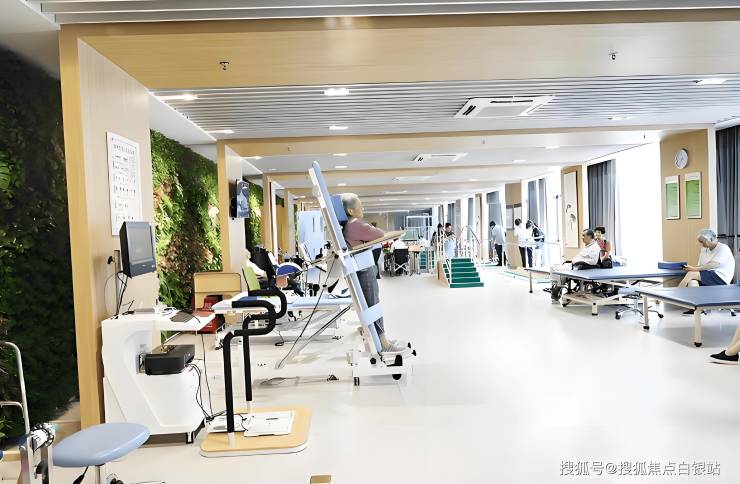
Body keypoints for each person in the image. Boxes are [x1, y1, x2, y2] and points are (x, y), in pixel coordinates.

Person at [341, 193, 407, 353]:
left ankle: (382, 339)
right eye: (359, 206)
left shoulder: (349, 226)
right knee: (373, 306)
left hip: (363, 268)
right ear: (350, 210)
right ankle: (384, 344)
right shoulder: (355, 224)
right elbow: (379, 233)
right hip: (364, 269)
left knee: (373, 304)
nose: (363, 208)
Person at [678, 229, 735, 316]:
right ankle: (697, 309)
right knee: (692, 281)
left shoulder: (723, 248)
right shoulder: (704, 249)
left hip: (720, 277)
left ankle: (677, 294)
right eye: (700, 242)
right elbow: (701, 265)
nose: (701, 244)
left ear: (711, 239)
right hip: (708, 275)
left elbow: (712, 265)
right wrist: (691, 268)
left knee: (691, 274)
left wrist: (693, 269)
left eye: (702, 242)